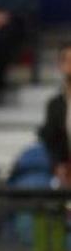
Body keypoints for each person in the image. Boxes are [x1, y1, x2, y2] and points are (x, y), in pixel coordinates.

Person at [39, 43, 71, 186]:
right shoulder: (55, 105)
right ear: (61, 65)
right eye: (68, 60)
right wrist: (59, 164)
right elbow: (51, 139)